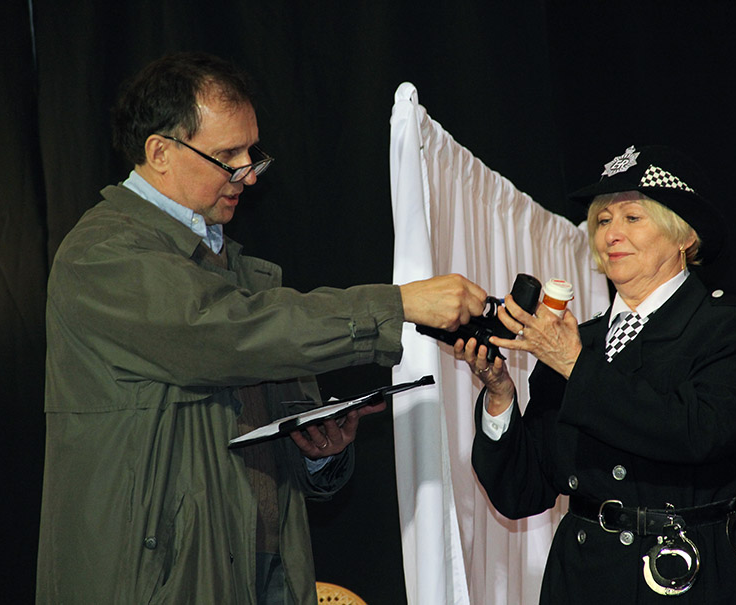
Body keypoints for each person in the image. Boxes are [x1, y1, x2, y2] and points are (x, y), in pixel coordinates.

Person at [36, 51, 487, 605]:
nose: (248, 173)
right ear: (160, 152)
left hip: (260, 570)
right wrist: (397, 304)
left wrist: (318, 451)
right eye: (228, 155)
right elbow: (226, 335)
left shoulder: (231, 264)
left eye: (252, 152)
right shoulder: (103, 254)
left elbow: (247, 426)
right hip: (159, 581)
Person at [455, 145, 736, 602]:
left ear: (684, 237)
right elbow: (522, 493)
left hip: (702, 576)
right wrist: (500, 395)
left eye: (632, 218)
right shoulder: (579, 340)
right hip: (584, 580)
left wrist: (574, 365)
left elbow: (698, 431)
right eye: (602, 221)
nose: (611, 235)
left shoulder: (735, 326)